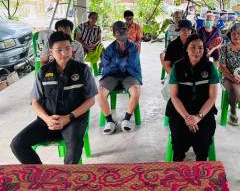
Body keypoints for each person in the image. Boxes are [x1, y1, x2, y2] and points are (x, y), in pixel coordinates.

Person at [10, 31, 97, 164]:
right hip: (48, 120)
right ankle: (41, 177)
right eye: (59, 50)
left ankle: (67, 180)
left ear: (72, 49)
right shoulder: (43, 72)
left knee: (74, 147)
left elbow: (90, 100)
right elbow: (35, 102)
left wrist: (69, 117)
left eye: (68, 49)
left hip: (74, 119)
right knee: (17, 144)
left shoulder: (83, 70)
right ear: (51, 51)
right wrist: (47, 119)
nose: (64, 53)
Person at [166, 34, 218, 161]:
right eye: (193, 47)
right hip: (181, 110)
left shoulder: (210, 67)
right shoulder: (177, 67)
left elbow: (212, 97)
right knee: (180, 141)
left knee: (203, 142)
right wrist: (187, 118)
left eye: (200, 48)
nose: (197, 51)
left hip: (203, 111)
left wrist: (198, 117)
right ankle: (177, 167)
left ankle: (201, 170)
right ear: (186, 49)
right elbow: (174, 96)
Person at [98, 21, 142, 135]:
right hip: (112, 75)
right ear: (114, 35)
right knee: (100, 93)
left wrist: (116, 62)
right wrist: (124, 60)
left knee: (136, 90)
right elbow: (107, 66)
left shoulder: (133, 46)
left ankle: (126, 119)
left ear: (127, 32)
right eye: (119, 32)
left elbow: (132, 63)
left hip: (129, 74)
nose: (122, 33)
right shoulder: (109, 49)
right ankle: (109, 121)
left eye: (124, 31)